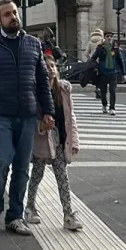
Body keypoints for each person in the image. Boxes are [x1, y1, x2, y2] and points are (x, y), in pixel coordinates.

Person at [0, 0, 54, 235]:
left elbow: (42, 82)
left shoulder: (32, 44)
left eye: (15, 13)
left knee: (21, 168)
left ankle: (14, 216)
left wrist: (47, 111)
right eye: (7, 14)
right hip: (0, 114)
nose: (13, 17)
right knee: (2, 162)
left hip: (27, 115)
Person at [28, 57, 83, 231]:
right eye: (46, 66)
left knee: (63, 178)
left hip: (60, 140)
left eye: (53, 66)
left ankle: (68, 215)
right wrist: (41, 127)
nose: (51, 69)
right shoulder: (36, 92)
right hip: (42, 140)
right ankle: (30, 207)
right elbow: (31, 119)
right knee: (37, 175)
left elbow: (70, 117)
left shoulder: (63, 90)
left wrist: (74, 140)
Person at [91, 32, 125, 115]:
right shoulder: (100, 47)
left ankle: (112, 108)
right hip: (102, 72)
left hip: (113, 72)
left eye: (111, 36)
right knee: (103, 91)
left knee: (112, 90)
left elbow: (120, 61)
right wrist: (93, 67)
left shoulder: (115, 48)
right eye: (107, 36)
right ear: (104, 37)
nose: (109, 38)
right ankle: (104, 105)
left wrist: (123, 73)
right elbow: (93, 57)